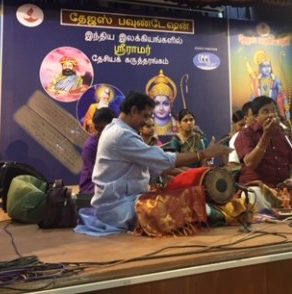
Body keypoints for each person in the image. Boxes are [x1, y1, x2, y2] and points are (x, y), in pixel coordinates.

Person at [75, 91, 231, 236]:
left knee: (182, 197)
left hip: (127, 202)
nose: (146, 122)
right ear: (133, 110)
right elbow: (162, 159)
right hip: (118, 208)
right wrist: (203, 154)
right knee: (181, 205)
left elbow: (156, 167)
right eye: (145, 116)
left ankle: (222, 214)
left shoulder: (118, 130)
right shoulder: (120, 134)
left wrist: (191, 174)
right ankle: (224, 215)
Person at [235, 96, 292, 209]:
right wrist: (266, 137)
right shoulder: (245, 134)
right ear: (256, 117)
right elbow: (250, 163)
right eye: (265, 112)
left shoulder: (283, 133)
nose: (271, 115)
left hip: (285, 188)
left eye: (273, 111)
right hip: (262, 188)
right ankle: (275, 212)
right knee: (252, 194)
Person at [79, 107, 118, 194]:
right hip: (92, 188)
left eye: (103, 129)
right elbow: (99, 176)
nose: (99, 132)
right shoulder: (90, 147)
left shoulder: (118, 140)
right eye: (97, 128)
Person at [246, 49, 289, 121]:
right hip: (260, 113)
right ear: (260, 67)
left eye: (268, 66)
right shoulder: (256, 81)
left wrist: (286, 109)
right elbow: (253, 98)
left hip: (274, 112)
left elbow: (282, 95)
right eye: (264, 66)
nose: (267, 69)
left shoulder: (276, 80)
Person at [145, 69, 178, 137]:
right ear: (151, 106)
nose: (161, 108)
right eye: (157, 103)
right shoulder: (144, 128)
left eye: (165, 103)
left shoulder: (179, 126)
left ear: (171, 105)